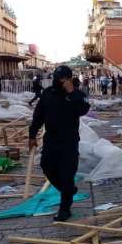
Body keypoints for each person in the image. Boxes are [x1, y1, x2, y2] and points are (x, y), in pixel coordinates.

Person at [29, 65, 90, 222]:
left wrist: (72, 92)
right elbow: (38, 116)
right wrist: (32, 135)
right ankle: (68, 190)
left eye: (64, 79)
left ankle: (65, 209)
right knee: (47, 167)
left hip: (69, 141)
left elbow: (84, 109)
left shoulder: (76, 94)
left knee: (66, 174)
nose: (60, 81)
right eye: (58, 78)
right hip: (51, 140)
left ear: (69, 79)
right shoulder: (48, 94)